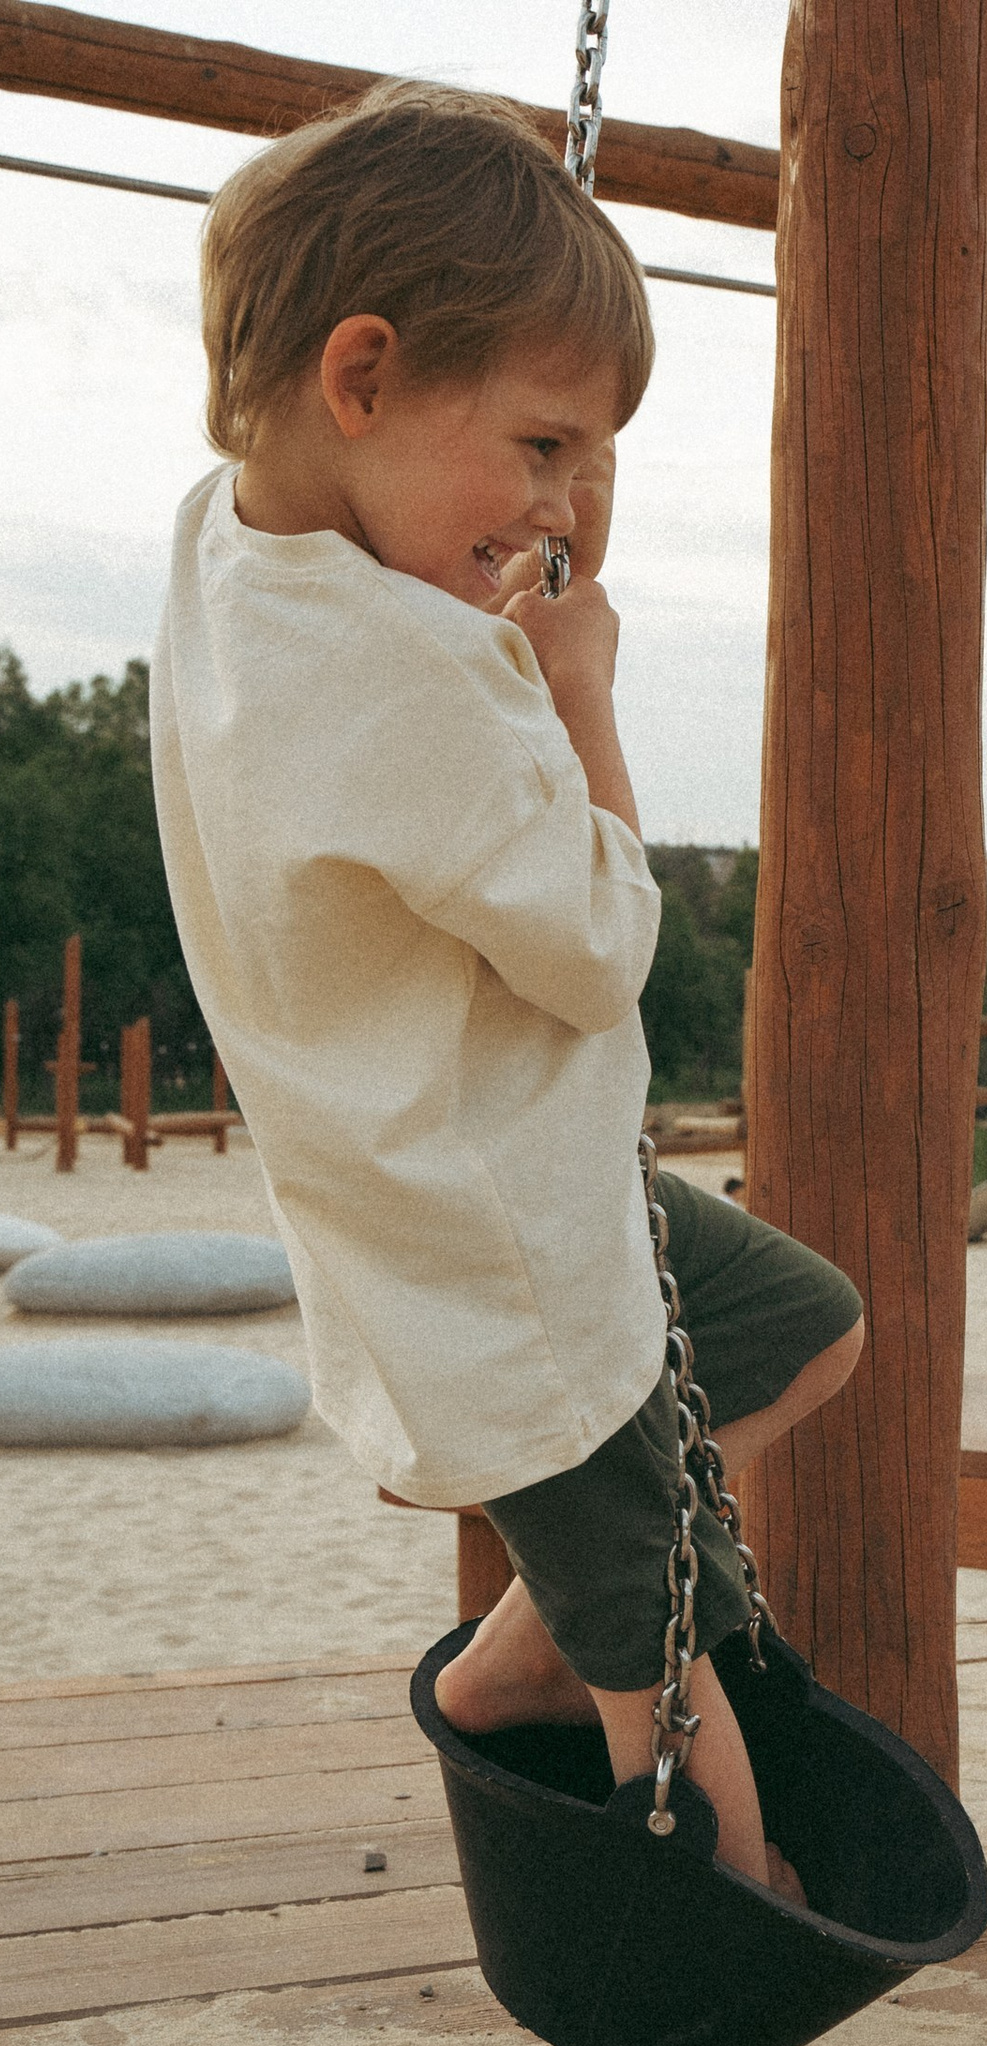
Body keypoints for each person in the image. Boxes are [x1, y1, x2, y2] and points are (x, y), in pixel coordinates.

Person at [153, 83, 865, 1894]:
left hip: (472, 1187)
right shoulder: (428, 686)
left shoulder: (225, 557)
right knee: (682, 1713)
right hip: (516, 1267)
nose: (570, 503)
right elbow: (610, 945)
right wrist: (577, 682)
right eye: (546, 446)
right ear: (362, 374)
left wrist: (481, 586)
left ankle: (540, 1641)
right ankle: (728, 1940)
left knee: (798, 1324)